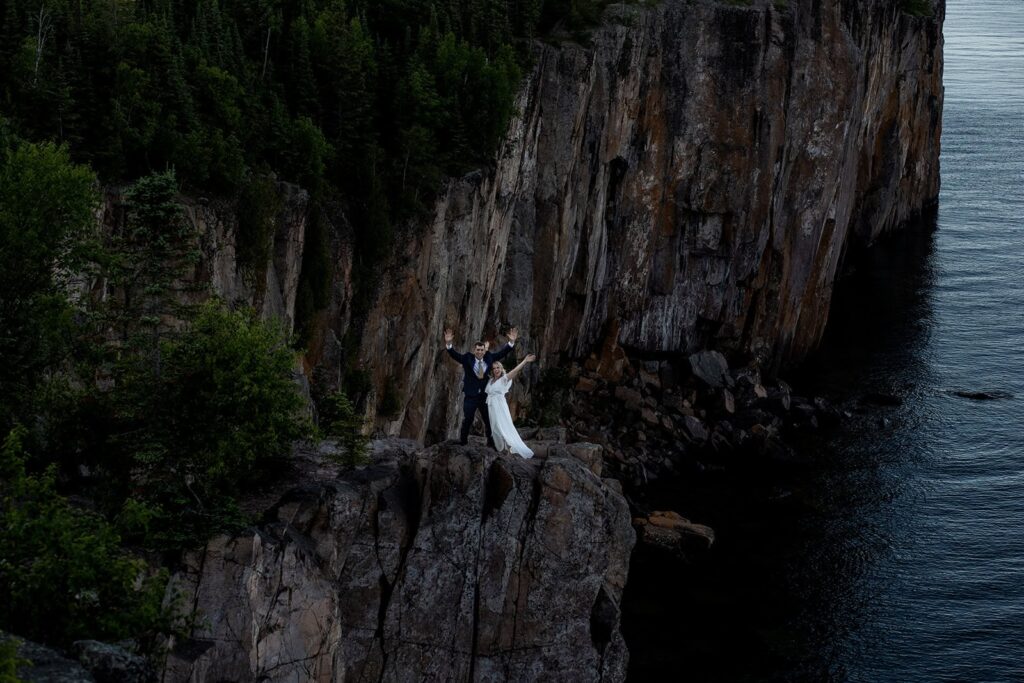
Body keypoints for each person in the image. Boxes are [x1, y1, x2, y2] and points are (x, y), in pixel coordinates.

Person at [444, 326, 518, 447]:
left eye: (482, 350)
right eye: (477, 350)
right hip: (470, 395)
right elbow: (455, 355)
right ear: (474, 350)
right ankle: (463, 441)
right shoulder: (467, 358)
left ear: (484, 350)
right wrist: (448, 344)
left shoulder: (489, 357)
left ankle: (491, 443)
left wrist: (511, 343)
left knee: (488, 420)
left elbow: (502, 353)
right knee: (468, 419)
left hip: (485, 396)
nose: (479, 352)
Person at [486, 356, 536, 458]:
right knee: (495, 428)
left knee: (503, 427)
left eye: (498, 368)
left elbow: (515, 370)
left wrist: (525, 361)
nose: (496, 370)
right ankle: (501, 449)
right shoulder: (490, 381)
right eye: (494, 368)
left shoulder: (504, 379)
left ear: (501, 368)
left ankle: (508, 450)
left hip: (499, 406)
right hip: (491, 406)